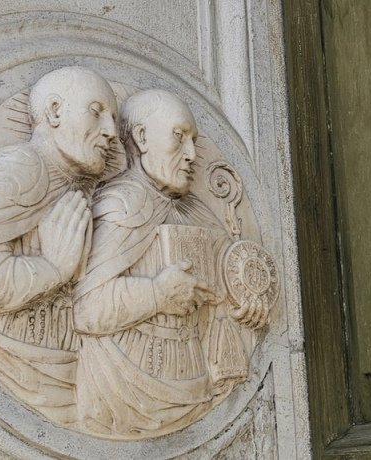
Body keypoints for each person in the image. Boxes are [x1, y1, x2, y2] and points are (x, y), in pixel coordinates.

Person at [72, 89, 267, 439]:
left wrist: (251, 295)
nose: (191, 154)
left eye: (194, 141)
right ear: (142, 138)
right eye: (179, 136)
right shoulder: (120, 205)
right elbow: (86, 309)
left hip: (195, 381)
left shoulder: (194, 210)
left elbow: (231, 272)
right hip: (126, 388)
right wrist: (158, 293)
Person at [0, 66, 118, 423]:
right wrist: (54, 267)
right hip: (12, 364)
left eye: (112, 118)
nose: (110, 131)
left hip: (60, 369)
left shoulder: (73, 184)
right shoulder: (20, 169)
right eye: (96, 111)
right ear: (55, 112)